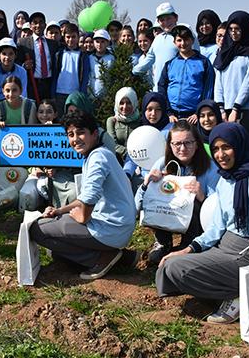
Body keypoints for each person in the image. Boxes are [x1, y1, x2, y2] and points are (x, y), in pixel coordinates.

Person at [156, 122, 249, 324]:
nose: (221, 155)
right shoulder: (225, 180)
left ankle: (239, 296)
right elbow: (217, 228)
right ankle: (232, 293)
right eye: (216, 149)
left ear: (239, 146)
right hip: (224, 245)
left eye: (226, 147)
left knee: (177, 268)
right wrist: (189, 249)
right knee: (171, 264)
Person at [29, 110, 137, 280]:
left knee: (37, 230)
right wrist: (60, 211)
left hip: (110, 228)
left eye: (81, 132)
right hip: (116, 226)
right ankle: (122, 257)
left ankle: (101, 258)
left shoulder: (97, 158)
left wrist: (82, 217)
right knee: (55, 250)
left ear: (94, 134)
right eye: (70, 134)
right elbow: (84, 197)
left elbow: (89, 198)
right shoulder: (96, 155)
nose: (75, 139)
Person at [137, 120, 220, 267]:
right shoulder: (162, 164)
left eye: (188, 143)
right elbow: (137, 204)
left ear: (197, 144)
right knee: (158, 195)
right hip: (168, 217)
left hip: (197, 223)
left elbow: (217, 210)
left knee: (192, 200)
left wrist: (202, 196)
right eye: (177, 143)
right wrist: (147, 184)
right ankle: (163, 243)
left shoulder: (211, 167)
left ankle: (189, 244)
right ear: (170, 145)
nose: (182, 148)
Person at [133, 2, 200, 91]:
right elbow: (149, 59)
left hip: (180, 89)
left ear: (176, 18)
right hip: (159, 90)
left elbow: (196, 58)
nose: (166, 22)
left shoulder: (185, 33)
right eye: (162, 20)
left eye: (169, 18)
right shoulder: (157, 39)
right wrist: (133, 71)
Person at [213, 11, 249, 142]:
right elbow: (219, 82)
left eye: (237, 29)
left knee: (244, 143)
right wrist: (220, 109)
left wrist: (236, 108)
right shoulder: (225, 51)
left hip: (244, 109)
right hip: (225, 109)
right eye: (231, 29)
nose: (233, 32)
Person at [158, 24, 214, 123]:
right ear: (174, 42)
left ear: (192, 40)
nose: (183, 43)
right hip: (172, 117)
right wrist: (168, 112)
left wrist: (199, 112)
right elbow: (162, 87)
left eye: (186, 39)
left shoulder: (203, 62)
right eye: (179, 40)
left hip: (194, 116)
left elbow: (208, 89)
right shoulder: (170, 64)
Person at [123, 92, 172, 190]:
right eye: (149, 109)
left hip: (166, 178)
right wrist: (126, 174)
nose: (153, 114)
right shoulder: (140, 131)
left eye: (158, 109)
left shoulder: (171, 130)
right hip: (144, 179)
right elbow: (133, 157)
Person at [17, 12, 59, 102]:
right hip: (32, 84)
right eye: (35, 22)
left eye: (41, 22)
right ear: (31, 26)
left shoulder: (53, 44)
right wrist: (24, 65)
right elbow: (17, 62)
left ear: (45, 25)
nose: (38, 25)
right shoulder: (23, 43)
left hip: (49, 84)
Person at [51, 23, 91, 108]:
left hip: (75, 94)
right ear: (64, 37)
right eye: (68, 37)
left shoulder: (83, 55)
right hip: (59, 92)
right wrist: (53, 94)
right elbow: (55, 74)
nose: (70, 40)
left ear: (78, 37)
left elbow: (85, 76)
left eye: (73, 37)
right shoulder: (59, 54)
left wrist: (82, 93)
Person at [0, 38, 28, 114]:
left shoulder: (22, 71)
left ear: (15, 55)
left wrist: (22, 113)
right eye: (4, 54)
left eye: (11, 53)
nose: (7, 57)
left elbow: (23, 94)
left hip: (16, 108)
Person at [105, 87, 140, 163]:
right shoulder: (112, 121)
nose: (125, 107)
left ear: (134, 103)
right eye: (121, 103)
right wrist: (128, 153)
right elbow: (112, 144)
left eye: (128, 103)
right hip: (116, 162)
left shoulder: (140, 121)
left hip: (138, 161)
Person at [87, 29, 115, 98]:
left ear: (107, 43)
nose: (99, 44)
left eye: (102, 42)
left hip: (106, 96)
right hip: (91, 95)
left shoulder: (111, 58)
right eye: (97, 42)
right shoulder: (89, 57)